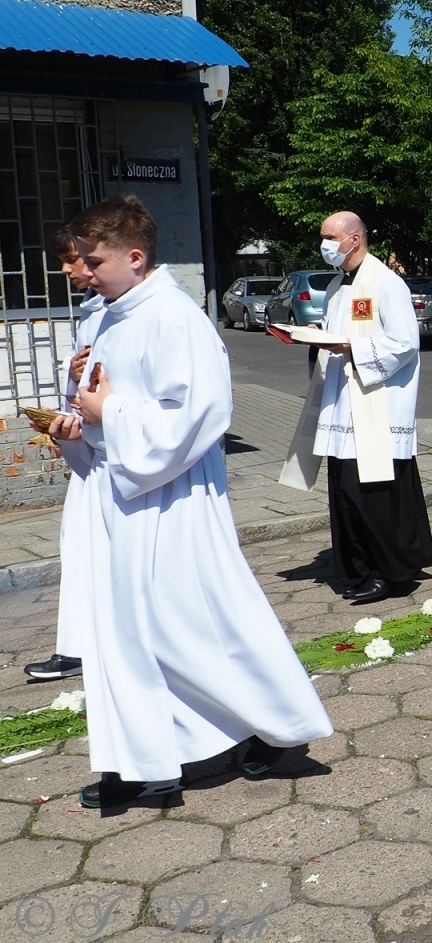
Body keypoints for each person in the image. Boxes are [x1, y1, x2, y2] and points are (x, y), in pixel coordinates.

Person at [48, 195, 330, 810]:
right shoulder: (108, 317)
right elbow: (99, 403)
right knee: (129, 632)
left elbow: (201, 414)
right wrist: (77, 423)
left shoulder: (175, 318)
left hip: (173, 496)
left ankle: (274, 728)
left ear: (135, 256)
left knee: (191, 624)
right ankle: (151, 759)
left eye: (93, 261)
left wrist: (109, 412)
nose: (82, 272)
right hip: (123, 491)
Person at [279, 212, 432, 604]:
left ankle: (385, 572)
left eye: (330, 237)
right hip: (342, 403)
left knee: (371, 493)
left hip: (375, 405)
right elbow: (339, 334)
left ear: (354, 239)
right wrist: (314, 336)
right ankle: (358, 568)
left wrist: (351, 346)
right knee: (346, 492)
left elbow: (405, 343)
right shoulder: (336, 285)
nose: (324, 245)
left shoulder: (386, 283)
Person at [22, 223, 105, 682]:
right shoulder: (93, 310)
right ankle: (76, 647)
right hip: (91, 449)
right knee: (77, 545)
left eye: (76, 259)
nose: (70, 270)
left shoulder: (152, 312)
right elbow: (86, 386)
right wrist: (75, 380)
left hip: (123, 458)